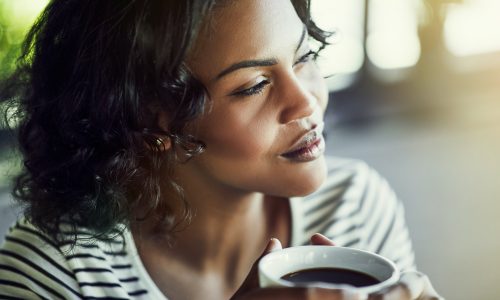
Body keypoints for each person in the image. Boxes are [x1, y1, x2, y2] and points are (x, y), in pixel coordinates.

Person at [0, 0, 442, 299]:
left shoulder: (356, 206)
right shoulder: (54, 273)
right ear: (153, 118)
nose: (306, 101)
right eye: (254, 86)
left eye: (304, 56)